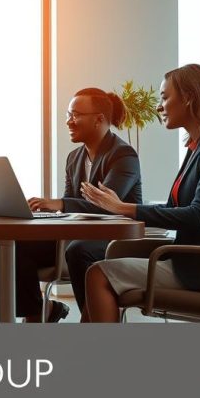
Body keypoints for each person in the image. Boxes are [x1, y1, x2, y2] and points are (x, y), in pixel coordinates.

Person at [80, 64, 200, 322]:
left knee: (98, 274)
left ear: (189, 98)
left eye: (165, 97)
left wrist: (122, 208)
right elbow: (175, 208)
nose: (159, 106)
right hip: (190, 261)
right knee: (106, 260)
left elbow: (199, 215)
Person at [19, 88, 142, 323]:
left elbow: (108, 205)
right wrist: (49, 213)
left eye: (75, 115)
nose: (68, 121)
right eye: (68, 114)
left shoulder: (123, 155)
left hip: (114, 237)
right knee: (21, 244)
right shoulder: (74, 158)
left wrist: (59, 203)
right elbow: (69, 210)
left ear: (99, 119)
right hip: (80, 235)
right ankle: (39, 313)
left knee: (79, 250)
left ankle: (93, 321)